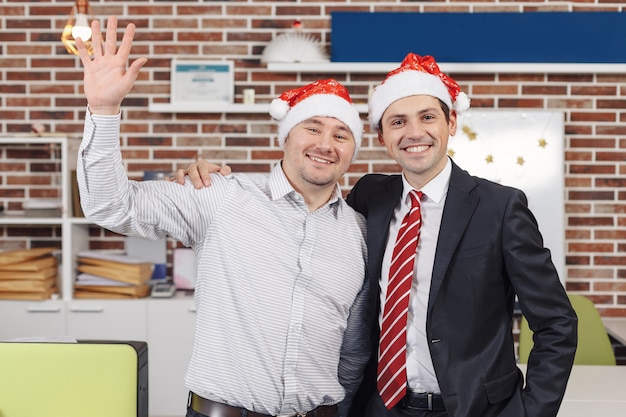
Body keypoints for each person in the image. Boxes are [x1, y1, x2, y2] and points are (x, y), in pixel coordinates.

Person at [180, 53, 578, 417]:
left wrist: (528, 413)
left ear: (451, 122)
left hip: (476, 408)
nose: (414, 132)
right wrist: (202, 176)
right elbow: (306, 230)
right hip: (381, 408)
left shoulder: (500, 207)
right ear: (382, 136)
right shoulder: (370, 197)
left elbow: (556, 322)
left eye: (427, 117)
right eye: (397, 122)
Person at [75, 16, 371, 417]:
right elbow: (110, 204)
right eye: (312, 127)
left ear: (353, 149)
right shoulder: (220, 196)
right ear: (285, 137)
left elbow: (353, 350)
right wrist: (104, 109)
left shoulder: (357, 232)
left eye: (341, 134)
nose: (326, 144)